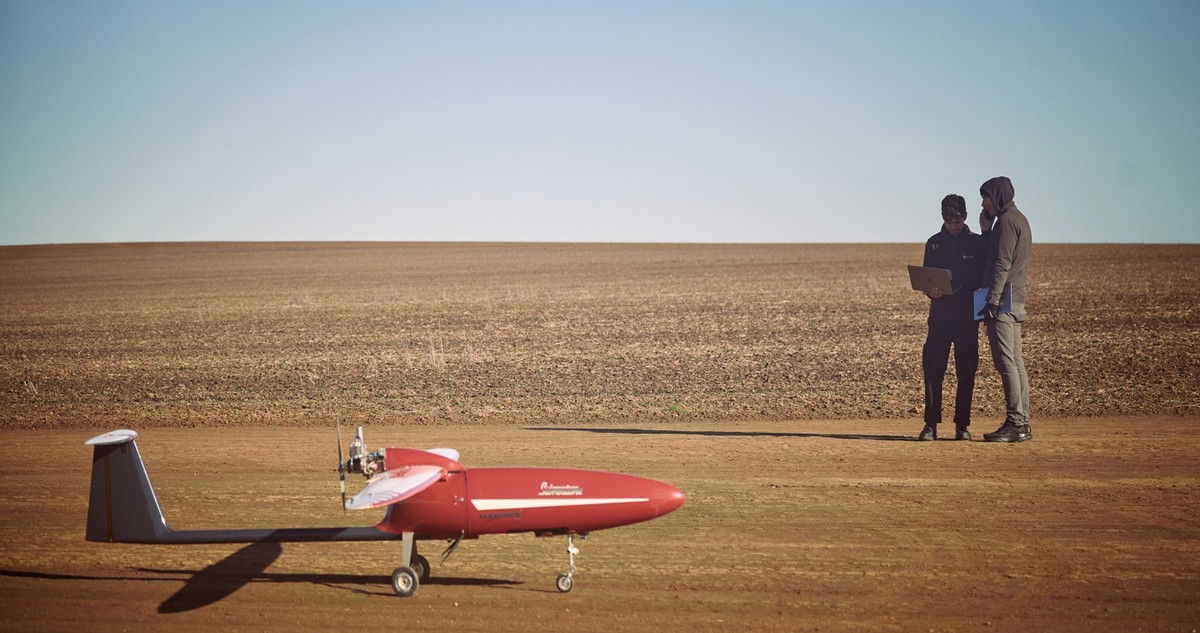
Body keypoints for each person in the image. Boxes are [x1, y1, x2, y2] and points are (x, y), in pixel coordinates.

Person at [918, 195, 986, 441]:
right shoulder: (933, 243)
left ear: (965, 217)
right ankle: (930, 424)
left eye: (957, 221)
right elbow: (926, 280)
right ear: (943, 218)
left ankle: (962, 425)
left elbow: (983, 277)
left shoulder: (977, 243)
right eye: (949, 221)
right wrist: (931, 291)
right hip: (939, 318)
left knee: (966, 371)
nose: (953, 226)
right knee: (933, 369)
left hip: (968, 319)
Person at [976, 176, 1032, 442]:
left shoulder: (1007, 222)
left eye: (986, 197)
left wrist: (992, 300)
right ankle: (1021, 422)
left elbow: (1001, 264)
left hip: (1003, 301)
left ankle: (1016, 423)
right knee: (1015, 363)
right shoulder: (1017, 218)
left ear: (997, 196)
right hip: (1015, 299)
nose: (984, 204)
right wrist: (987, 231)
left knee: (1006, 363)